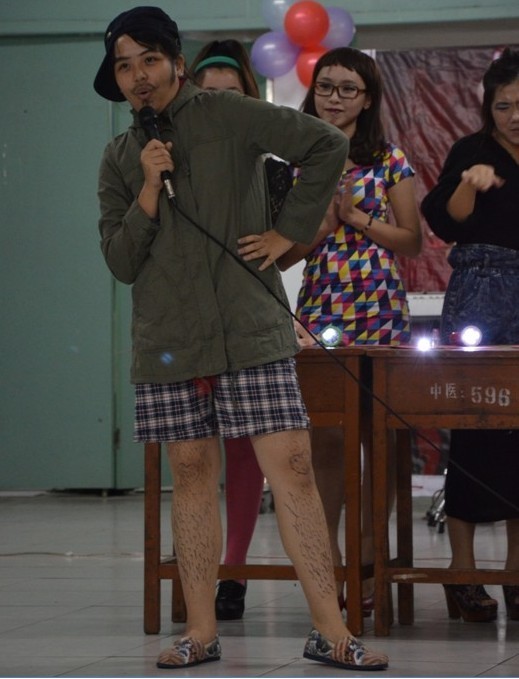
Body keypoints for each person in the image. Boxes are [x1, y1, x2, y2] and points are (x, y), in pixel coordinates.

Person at [93, 6, 388, 671]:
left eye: (149, 60)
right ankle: (201, 631)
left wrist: (288, 232)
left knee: (294, 470)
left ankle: (331, 631)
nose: (138, 77)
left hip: (250, 327)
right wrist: (148, 190)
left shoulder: (228, 114)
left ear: (176, 62)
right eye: (124, 66)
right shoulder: (120, 157)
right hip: (169, 337)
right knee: (192, 474)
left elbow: (325, 145)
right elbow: (120, 260)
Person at [275, 46, 422, 614]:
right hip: (321, 306)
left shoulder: (388, 159)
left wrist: (358, 218)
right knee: (327, 440)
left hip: (379, 306)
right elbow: (283, 256)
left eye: (347, 89)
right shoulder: (298, 162)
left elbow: (412, 241)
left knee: (379, 438)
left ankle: (368, 557)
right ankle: (329, 560)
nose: (334, 98)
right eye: (325, 87)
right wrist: (324, 225)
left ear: (367, 99)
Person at [191, 38, 293, 621]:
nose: (221, 107)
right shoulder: (170, 163)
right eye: (209, 96)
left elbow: (284, 244)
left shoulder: (270, 169)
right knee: (194, 452)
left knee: (250, 443)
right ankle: (199, 568)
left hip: (250, 320)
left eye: (232, 95)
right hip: (189, 322)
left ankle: (234, 567)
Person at [421, 46, 519, 623]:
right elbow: (444, 219)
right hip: (481, 289)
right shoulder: (472, 150)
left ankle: (516, 574)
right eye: (503, 105)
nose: (514, 116)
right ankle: (463, 573)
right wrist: (470, 183)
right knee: (474, 427)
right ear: (488, 107)